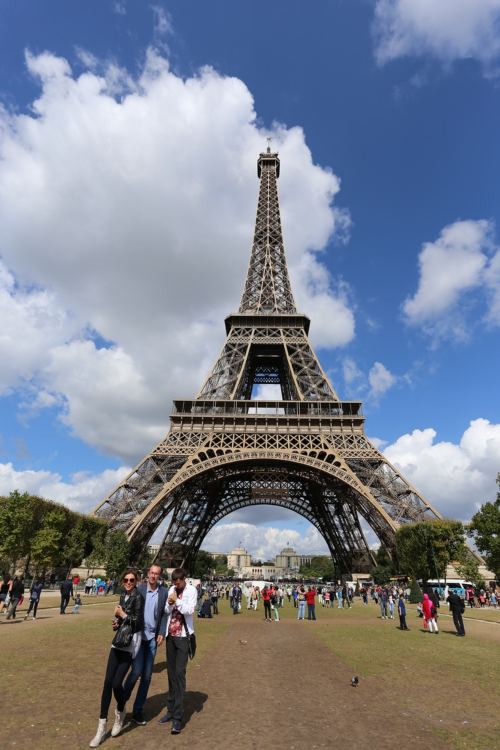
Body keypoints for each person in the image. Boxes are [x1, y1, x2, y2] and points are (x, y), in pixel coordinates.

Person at [89, 569, 144, 747]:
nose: (129, 582)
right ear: (122, 582)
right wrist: (117, 623)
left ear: (137, 581)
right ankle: (101, 726)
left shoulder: (138, 597)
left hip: (129, 647)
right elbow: (122, 622)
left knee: (116, 684)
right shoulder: (123, 596)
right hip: (118, 643)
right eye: (126, 580)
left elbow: (138, 622)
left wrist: (123, 616)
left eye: (132, 580)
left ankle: (120, 710)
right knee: (107, 683)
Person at [123, 564, 167, 726]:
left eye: (157, 574)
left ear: (159, 576)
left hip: (152, 639)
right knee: (136, 672)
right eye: (152, 573)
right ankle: (122, 701)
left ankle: (137, 710)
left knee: (147, 677)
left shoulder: (163, 592)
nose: (154, 576)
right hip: (138, 637)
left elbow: (164, 615)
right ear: (148, 573)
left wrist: (162, 632)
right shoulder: (139, 589)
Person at [159, 568, 197, 735]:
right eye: (174, 582)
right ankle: (170, 710)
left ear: (184, 579)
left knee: (180, 674)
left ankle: (178, 718)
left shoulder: (192, 590)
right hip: (171, 636)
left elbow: (189, 610)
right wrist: (169, 602)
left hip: (183, 638)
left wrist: (177, 601)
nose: (176, 584)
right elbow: (167, 612)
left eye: (178, 582)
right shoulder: (172, 589)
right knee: (171, 675)